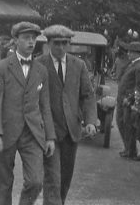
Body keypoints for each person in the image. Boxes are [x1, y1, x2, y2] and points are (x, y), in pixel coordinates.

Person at [0, 21, 56, 205]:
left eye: (33, 38)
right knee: (3, 184)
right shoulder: (1, 68)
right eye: (26, 38)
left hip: (32, 133)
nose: (31, 42)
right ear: (16, 40)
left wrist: (49, 137)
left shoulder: (41, 71)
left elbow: (45, 106)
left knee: (35, 181)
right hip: (6, 132)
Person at [36, 25, 97, 205]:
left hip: (72, 132)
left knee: (64, 180)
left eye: (65, 43)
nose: (61, 47)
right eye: (57, 43)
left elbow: (88, 95)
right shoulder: (39, 65)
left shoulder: (79, 65)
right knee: (52, 180)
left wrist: (91, 121)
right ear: (48, 44)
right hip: (49, 133)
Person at [116, 41, 140, 159]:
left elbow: (139, 88)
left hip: (128, 102)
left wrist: (129, 99)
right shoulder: (133, 64)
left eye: (130, 51)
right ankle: (128, 149)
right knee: (122, 124)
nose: (128, 53)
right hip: (122, 99)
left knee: (128, 126)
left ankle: (131, 151)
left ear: (136, 53)